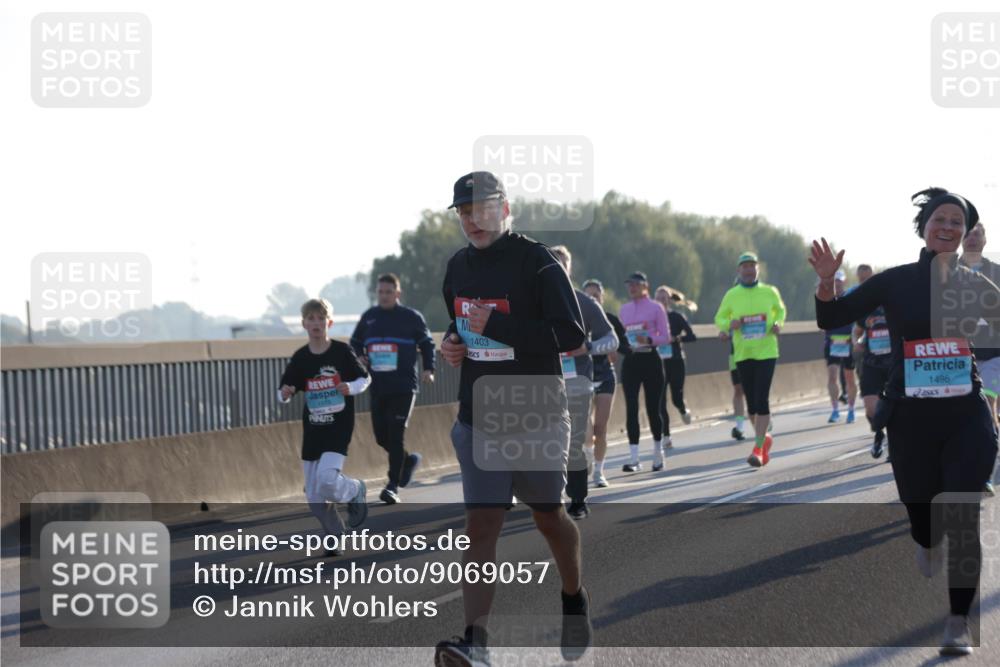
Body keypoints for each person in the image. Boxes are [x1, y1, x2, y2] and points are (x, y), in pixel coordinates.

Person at [810, 187, 998, 656]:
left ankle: (959, 621)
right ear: (925, 227)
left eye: (958, 221)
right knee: (922, 509)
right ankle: (924, 536)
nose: (948, 227)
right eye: (941, 219)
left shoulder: (977, 284)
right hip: (911, 416)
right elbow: (832, 316)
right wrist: (828, 282)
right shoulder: (894, 281)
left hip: (965, 413)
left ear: (966, 232)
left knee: (961, 511)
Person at [436, 171, 591, 666]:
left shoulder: (538, 262)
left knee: (549, 518)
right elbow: (460, 323)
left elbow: (571, 334)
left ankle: (573, 597)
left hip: (537, 415)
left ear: (504, 209)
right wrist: (453, 343)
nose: (473, 220)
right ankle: (475, 645)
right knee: (480, 526)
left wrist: (498, 325)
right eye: (464, 212)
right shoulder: (457, 267)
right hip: (479, 418)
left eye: (482, 209)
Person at [278, 298, 371, 555]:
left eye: (321, 318)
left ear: (329, 323)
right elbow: (285, 388)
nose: (316, 323)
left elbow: (364, 378)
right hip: (313, 431)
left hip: (338, 428)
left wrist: (350, 387)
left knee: (328, 480)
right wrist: (285, 393)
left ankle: (354, 489)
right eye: (311, 319)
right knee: (315, 499)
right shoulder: (301, 358)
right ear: (304, 324)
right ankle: (335, 534)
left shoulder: (341, 352)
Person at [350, 273, 435, 505]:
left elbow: (427, 343)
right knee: (381, 437)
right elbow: (355, 342)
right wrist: (359, 357)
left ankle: (391, 485)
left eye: (389, 292)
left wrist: (429, 368)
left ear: (397, 294)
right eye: (381, 292)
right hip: (378, 386)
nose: (384, 296)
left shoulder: (411, 318)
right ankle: (406, 462)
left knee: (396, 435)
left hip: (404, 386)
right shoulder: (369, 318)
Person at [550, 247, 618, 519]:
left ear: (569, 268)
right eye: (552, 263)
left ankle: (578, 500)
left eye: (562, 263)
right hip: (543, 382)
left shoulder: (585, 303)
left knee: (575, 440)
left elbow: (612, 341)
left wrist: (587, 346)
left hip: (577, 382)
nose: (557, 268)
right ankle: (549, 495)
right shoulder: (532, 301)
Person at [714, 252, 786, 467]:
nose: (748, 270)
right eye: (744, 266)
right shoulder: (732, 295)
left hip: (766, 352)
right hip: (743, 353)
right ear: (739, 271)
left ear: (757, 270)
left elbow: (780, 311)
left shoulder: (769, 291)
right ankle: (764, 439)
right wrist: (729, 325)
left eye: (752, 266)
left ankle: (757, 448)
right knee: (752, 403)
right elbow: (719, 318)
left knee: (762, 398)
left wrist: (778, 324)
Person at [959, 221, 1000, 497]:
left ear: (985, 240)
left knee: (986, 403)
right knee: (964, 414)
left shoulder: (995, 272)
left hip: (995, 353)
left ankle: (985, 472)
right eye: (968, 234)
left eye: (978, 235)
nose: (972, 239)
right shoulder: (945, 270)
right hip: (960, 354)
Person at [619, 272, 671, 472]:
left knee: (653, 408)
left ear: (645, 286)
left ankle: (658, 452)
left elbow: (665, 336)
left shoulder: (656, 307)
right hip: (631, 361)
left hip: (651, 359)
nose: (632, 288)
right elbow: (622, 334)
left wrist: (649, 340)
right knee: (631, 408)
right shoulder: (624, 310)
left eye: (636, 284)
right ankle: (634, 458)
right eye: (629, 285)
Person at [582, 278, 630, 487]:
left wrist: (615, 350)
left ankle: (599, 472)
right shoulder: (575, 318)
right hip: (581, 377)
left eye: (596, 295)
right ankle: (587, 452)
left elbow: (625, 346)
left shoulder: (609, 320)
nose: (592, 298)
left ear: (602, 297)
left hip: (604, 375)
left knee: (600, 428)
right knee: (585, 430)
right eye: (588, 295)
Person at [654, 285, 698, 436]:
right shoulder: (651, 319)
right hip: (658, 363)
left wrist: (676, 338)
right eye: (658, 298)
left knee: (676, 398)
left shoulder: (676, 317)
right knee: (660, 402)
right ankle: (665, 436)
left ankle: (682, 408)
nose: (661, 301)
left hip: (676, 361)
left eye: (664, 298)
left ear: (669, 301)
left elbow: (692, 336)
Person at [822, 270, 858, 424]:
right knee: (832, 376)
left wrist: (855, 337)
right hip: (832, 343)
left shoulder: (851, 299)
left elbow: (858, 320)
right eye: (834, 281)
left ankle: (851, 409)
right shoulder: (825, 300)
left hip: (848, 342)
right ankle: (835, 410)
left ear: (843, 282)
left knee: (850, 378)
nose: (836, 283)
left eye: (839, 281)